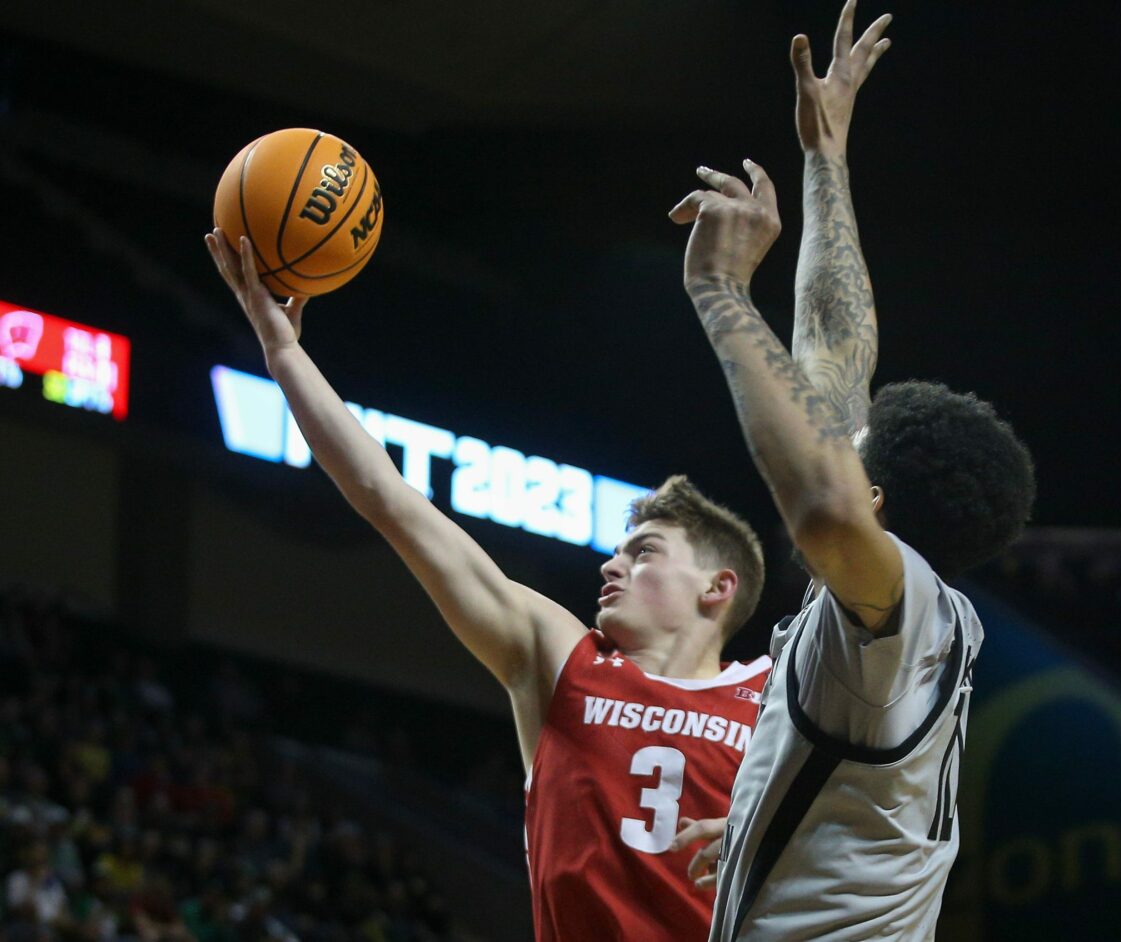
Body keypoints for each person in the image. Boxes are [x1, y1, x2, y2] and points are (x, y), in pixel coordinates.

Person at [203, 228, 771, 939]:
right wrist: (284, 354)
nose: (610, 565)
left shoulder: (774, 701)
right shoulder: (561, 658)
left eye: (644, 551)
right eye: (617, 552)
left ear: (717, 588)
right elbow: (389, 498)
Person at [668, 1, 1036, 938]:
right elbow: (834, 351)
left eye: (857, 447)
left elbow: (825, 509)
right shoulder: (915, 631)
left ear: (878, 498)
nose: (841, 432)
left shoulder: (901, 611)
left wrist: (717, 290)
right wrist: (824, 154)